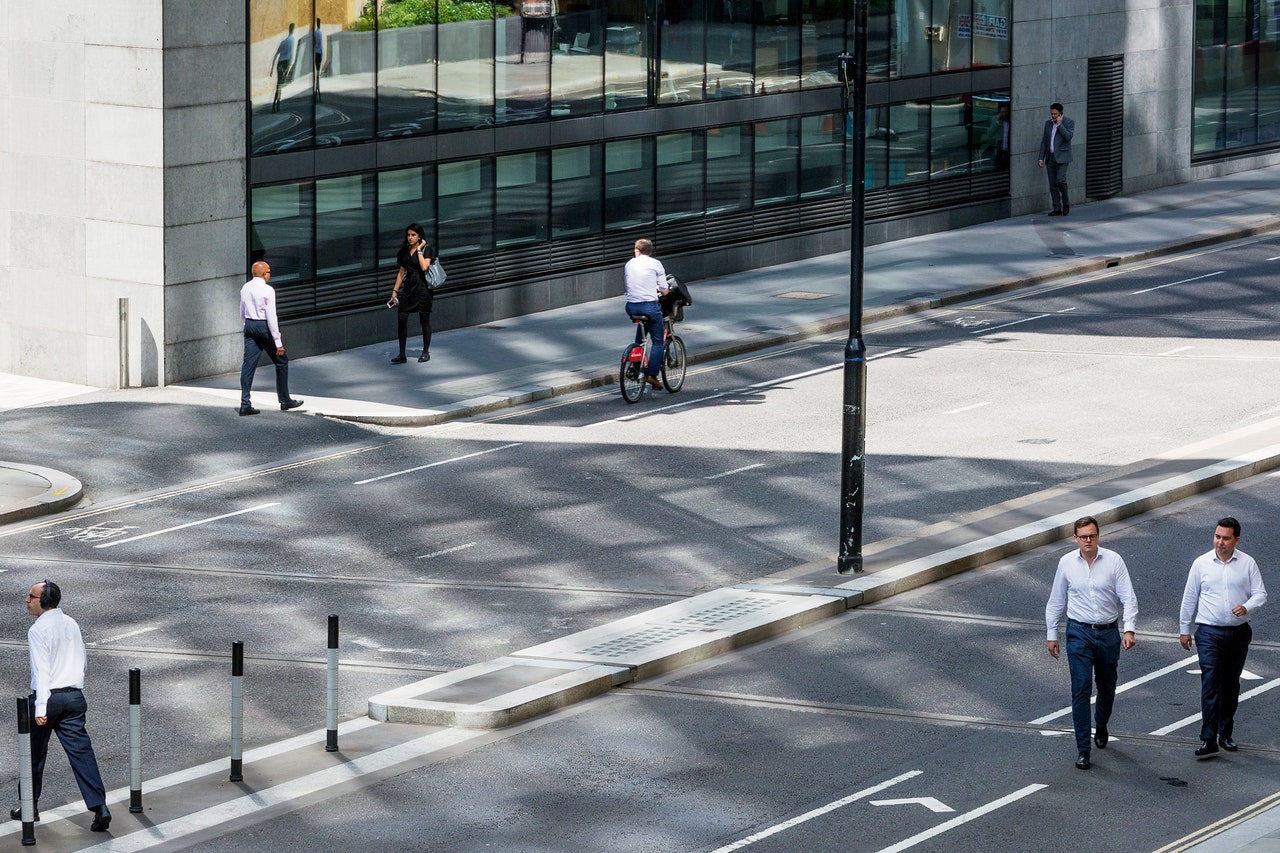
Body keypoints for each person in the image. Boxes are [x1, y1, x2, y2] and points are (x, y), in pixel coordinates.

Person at [11, 581, 111, 832]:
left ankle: (29, 806)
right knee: (81, 753)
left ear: (43, 602)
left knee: (33, 753)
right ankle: (100, 807)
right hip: (74, 697)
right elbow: (82, 660)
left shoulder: (38, 630)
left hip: (49, 698)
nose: (26, 600)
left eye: (31, 596)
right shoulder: (71, 622)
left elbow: (41, 672)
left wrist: (41, 709)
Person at [1044, 516, 1138, 770]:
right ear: (1075, 538)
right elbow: (1056, 601)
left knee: (1107, 688)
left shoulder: (1114, 560)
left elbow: (1128, 598)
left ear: (1098, 536)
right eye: (1083, 536)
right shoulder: (1066, 563)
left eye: (1092, 536)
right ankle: (1083, 749)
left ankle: (1102, 723)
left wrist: (1128, 629)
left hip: (1108, 633)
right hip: (1078, 633)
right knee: (1081, 689)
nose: (1088, 540)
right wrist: (1052, 634)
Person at [1179, 517, 1267, 757]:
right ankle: (1208, 738)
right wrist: (1184, 630)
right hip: (1209, 631)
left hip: (1238, 632)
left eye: (1226, 538)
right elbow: (1190, 597)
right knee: (1210, 682)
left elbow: (1261, 594)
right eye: (1217, 536)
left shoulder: (1247, 563)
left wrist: (1247, 607)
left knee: (1231, 684)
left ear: (1236, 540)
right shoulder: (1201, 564)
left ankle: (1225, 733)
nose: (1220, 542)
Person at [239, 260, 303, 415]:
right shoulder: (268, 290)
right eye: (268, 271)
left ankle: (245, 404)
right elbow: (271, 317)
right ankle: (285, 400)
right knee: (281, 361)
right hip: (263, 327)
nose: (270, 274)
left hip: (249, 326)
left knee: (248, 365)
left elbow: (242, 309)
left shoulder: (245, 287)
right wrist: (278, 342)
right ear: (264, 274)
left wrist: (246, 324)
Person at [623, 239, 668, 391]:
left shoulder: (629, 263)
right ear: (650, 251)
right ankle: (652, 375)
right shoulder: (655, 264)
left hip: (631, 306)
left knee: (642, 332)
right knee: (657, 341)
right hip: (649, 306)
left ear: (637, 251)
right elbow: (664, 289)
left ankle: (636, 363)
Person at [387, 224, 434, 364]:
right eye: (408, 235)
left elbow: (424, 267)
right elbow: (401, 272)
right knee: (401, 318)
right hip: (408, 290)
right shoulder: (404, 251)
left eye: (413, 235)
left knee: (424, 321)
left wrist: (419, 249)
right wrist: (394, 291)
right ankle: (402, 354)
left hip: (423, 289)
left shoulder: (427, 249)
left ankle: (425, 352)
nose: (410, 238)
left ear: (420, 236)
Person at [1037, 102, 1074, 215]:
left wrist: (1060, 125)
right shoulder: (1048, 124)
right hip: (1051, 157)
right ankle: (1057, 207)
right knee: (1052, 183)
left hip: (1062, 157)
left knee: (1060, 180)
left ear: (1060, 113)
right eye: (1051, 114)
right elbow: (1044, 141)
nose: (1053, 116)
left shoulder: (1068, 122)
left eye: (1055, 114)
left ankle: (1066, 202)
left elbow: (1068, 137)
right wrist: (1041, 158)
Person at [270, 23, 296, 113]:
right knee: (280, 84)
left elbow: (276, 54)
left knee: (279, 83)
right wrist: (289, 67)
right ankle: (276, 103)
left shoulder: (283, 41)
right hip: (285, 63)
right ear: (293, 29)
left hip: (280, 63)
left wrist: (272, 68)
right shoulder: (292, 40)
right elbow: (291, 55)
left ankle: (276, 103)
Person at [983, 103, 1011, 171]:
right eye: (1002, 112)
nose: (1004, 114)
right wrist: (997, 122)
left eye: (1006, 112)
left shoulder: (1011, 120)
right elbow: (990, 133)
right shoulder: (996, 120)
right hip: (1000, 150)